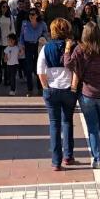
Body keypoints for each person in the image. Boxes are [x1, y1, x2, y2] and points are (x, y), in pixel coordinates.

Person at [65, 22, 100, 169]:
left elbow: (68, 64)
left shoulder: (80, 49)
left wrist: (67, 50)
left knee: (92, 126)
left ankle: (97, 158)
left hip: (88, 92)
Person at [38, 17, 79, 170]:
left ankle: (56, 161)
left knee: (54, 124)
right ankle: (68, 156)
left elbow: (40, 70)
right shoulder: (73, 47)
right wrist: (74, 87)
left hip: (52, 89)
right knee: (67, 121)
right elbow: (77, 69)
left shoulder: (46, 48)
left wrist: (45, 87)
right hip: (69, 89)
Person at [20, 8, 49, 96]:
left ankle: (40, 88)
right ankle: (29, 89)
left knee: (38, 67)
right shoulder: (24, 23)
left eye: (33, 14)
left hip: (38, 46)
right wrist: (21, 46)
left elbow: (46, 33)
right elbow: (21, 35)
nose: (31, 16)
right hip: (28, 46)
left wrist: (43, 38)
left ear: (37, 15)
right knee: (28, 68)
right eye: (30, 14)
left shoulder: (42, 24)